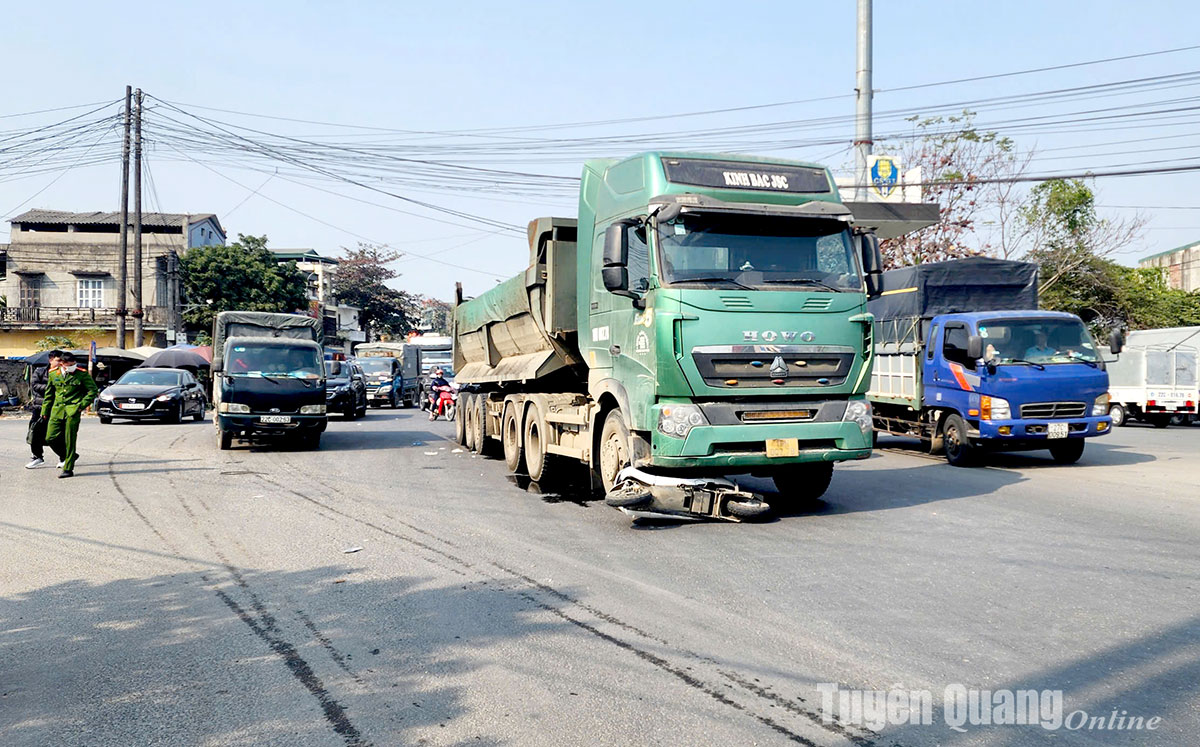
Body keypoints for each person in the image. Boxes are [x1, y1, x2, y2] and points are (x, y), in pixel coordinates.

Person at [40, 352, 98, 478]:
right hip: (57, 410)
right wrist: (44, 411)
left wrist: (81, 405)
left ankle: (68, 468)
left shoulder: (81, 374)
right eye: (69, 365)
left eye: (73, 364)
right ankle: (69, 455)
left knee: (70, 440)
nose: (72, 367)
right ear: (62, 363)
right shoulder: (53, 373)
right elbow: (49, 395)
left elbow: (93, 390)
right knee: (50, 437)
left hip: (73, 411)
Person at [24, 350, 63, 469]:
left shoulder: (63, 373)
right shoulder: (40, 371)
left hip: (56, 408)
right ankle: (37, 457)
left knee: (57, 434)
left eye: (62, 360)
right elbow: (34, 385)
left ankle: (64, 457)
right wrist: (50, 387)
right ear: (51, 360)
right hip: (39, 407)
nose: (60, 363)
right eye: (58, 360)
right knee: (35, 431)